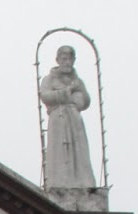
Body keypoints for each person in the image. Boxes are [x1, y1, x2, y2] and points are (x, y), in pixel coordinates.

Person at [39, 44, 96, 190]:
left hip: (74, 119)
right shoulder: (49, 79)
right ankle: (59, 181)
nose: (67, 62)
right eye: (64, 59)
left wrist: (76, 98)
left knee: (78, 150)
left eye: (70, 59)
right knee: (59, 152)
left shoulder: (78, 81)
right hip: (58, 118)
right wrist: (67, 92)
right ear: (58, 59)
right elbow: (45, 96)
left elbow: (85, 100)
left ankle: (82, 181)